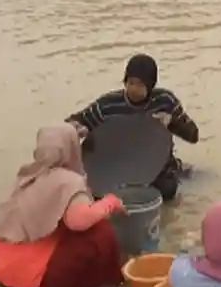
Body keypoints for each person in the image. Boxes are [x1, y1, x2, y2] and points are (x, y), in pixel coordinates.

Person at [0, 124, 127, 287]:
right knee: (101, 231)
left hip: (2, 273)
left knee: (77, 230)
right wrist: (111, 203)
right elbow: (78, 222)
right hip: (34, 286)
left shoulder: (28, 175)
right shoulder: (69, 182)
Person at [66, 53, 199, 201]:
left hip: (156, 169)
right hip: (119, 168)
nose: (134, 89)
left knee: (169, 190)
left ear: (151, 85)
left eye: (140, 85)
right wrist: (78, 129)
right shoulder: (108, 105)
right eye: (131, 83)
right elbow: (74, 121)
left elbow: (193, 135)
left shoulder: (165, 101)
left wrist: (172, 123)